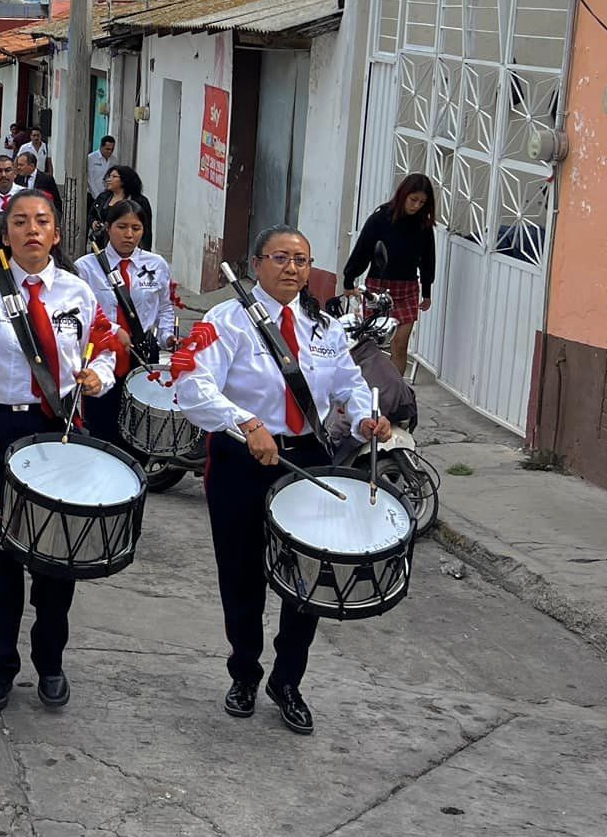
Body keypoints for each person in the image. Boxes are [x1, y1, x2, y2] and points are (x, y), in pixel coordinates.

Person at [172, 226, 391, 735]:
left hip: (306, 457)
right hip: (242, 459)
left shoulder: (323, 325)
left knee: (307, 576)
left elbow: (348, 383)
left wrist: (364, 417)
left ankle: (287, 679)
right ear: (256, 263)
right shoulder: (225, 321)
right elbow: (192, 382)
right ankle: (244, 672)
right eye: (281, 258)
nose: (292, 268)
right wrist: (245, 423)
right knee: (243, 573)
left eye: (302, 260)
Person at [0, 190, 118, 712]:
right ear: (5, 233)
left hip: (55, 429)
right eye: (20, 222)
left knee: (57, 556)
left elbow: (104, 344)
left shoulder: (78, 292)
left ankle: (51, 660)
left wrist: (98, 374)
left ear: (57, 234)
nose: (32, 229)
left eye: (42, 221)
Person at [74, 200, 178, 446]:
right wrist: (112, 330)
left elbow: (164, 306)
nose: (129, 234)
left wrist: (167, 337)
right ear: (108, 227)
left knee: (140, 423)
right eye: (122, 227)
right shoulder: (86, 267)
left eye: (136, 228)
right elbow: (82, 312)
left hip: (142, 352)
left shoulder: (156, 265)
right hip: (103, 353)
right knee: (101, 421)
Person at [342, 173, 437, 378]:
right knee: (372, 345)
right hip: (378, 286)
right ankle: (368, 388)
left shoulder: (424, 226)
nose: (416, 206)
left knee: (400, 344)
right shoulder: (380, 218)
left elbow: (428, 260)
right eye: (413, 200)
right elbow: (362, 250)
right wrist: (349, 279)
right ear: (403, 195)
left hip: (408, 288)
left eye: (422, 202)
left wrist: (427, 291)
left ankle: (396, 395)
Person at [86, 135, 116, 210]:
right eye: (107, 149)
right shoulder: (91, 158)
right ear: (101, 147)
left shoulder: (114, 160)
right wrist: (97, 197)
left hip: (107, 197)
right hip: (93, 196)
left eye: (112, 150)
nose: (110, 152)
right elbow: (90, 180)